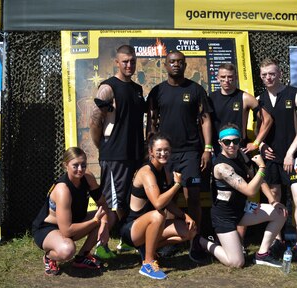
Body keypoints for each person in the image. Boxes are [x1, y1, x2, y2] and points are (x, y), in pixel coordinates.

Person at [190, 124, 286, 268]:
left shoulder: (241, 154)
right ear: (220, 143)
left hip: (242, 209)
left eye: (235, 141)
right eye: (227, 142)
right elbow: (250, 191)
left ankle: (262, 255)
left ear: (240, 141)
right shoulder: (222, 167)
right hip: (224, 217)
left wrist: (273, 201)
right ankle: (202, 242)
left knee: (280, 213)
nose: (231, 145)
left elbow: (257, 179)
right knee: (237, 262)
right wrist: (262, 167)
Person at [147, 51, 212, 259]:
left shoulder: (196, 90)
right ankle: (167, 240)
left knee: (192, 197)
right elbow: (151, 122)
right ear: (165, 65)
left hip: (190, 153)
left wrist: (207, 149)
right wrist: (151, 151)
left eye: (180, 62)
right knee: (166, 199)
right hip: (166, 155)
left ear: (185, 65)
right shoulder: (157, 92)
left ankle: (195, 242)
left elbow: (205, 120)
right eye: (172, 62)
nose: (176, 65)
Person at [208, 62, 273, 250]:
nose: (227, 80)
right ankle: (224, 239)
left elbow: (267, 119)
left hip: (239, 151)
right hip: (218, 153)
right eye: (223, 77)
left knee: (243, 197)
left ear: (235, 78)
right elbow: (203, 122)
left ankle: (240, 242)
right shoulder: (210, 98)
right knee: (221, 198)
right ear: (217, 78)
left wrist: (257, 142)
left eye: (230, 77)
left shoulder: (244, 97)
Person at [89, 44, 146, 254]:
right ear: (117, 62)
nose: (129, 65)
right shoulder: (108, 88)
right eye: (125, 61)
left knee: (130, 202)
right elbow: (94, 122)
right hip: (115, 157)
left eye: (132, 61)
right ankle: (98, 247)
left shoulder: (137, 89)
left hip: (135, 155)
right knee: (111, 203)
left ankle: (127, 238)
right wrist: (103, 147)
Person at [120, 133, 197, 280]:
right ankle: (148, 264)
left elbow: (168, 202)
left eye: (166, 150)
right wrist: (177, 185)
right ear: (151, 152)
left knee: (190, 231)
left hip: (152, 226)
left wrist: (184, 215)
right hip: (131, 230)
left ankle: (148, 249)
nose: (163, 153)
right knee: (158, 214)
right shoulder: (146, 172)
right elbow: (158, 203)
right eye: (159, 150)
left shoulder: (165, 170)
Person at [258, 58, 297, 264]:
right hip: (271, 158)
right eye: (264, 75)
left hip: (295, 155)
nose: (268, 78)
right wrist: (262, 146)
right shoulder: (259, 98)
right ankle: (278, 242)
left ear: (280, 73)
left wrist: (291, 153)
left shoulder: (295, 93)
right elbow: (257, 130)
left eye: (271, 73)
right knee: (275, 201)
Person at [32, 147, 113, 275]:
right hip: (49, 228)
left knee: (110, 216)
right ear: (66, 166)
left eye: (83, 165)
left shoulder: (88, 177)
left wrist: (104, 225)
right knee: (67, 250)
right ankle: (49, 257)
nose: (80, 169)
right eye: (75, 165)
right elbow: (67, 230)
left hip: (73, 221)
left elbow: (102, 203)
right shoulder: (62, 190)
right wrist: (95, 221)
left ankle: (82, 257)